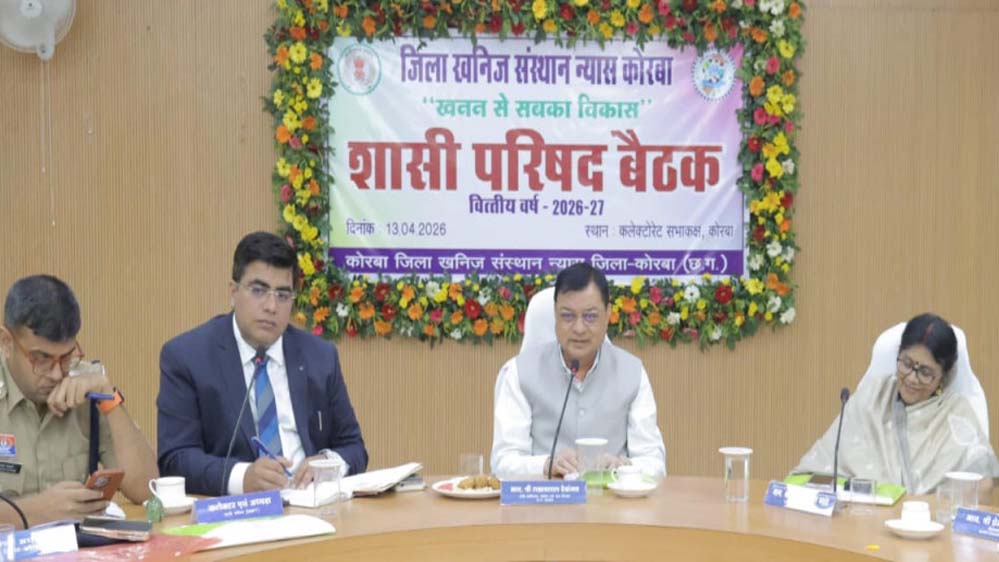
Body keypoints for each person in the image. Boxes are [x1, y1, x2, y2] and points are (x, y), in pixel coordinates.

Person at [157, 231, 367, 496]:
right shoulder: (188, 357)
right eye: (258, 291)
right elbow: (175, 459)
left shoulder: (319, 356)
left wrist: (328, 464)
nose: (271, 306)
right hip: (237, 509)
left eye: (283, 295)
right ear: (233, 292)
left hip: (310, 504)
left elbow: (354, 448)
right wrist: (242, 477)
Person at [0, 275, 158, 528]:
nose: (56, 374)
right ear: (6, 342)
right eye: (41, 358)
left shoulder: (87, 387)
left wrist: (108, 396)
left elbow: (147, 491)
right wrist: (37, 511)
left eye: (66, 357)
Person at [490, 262, 666, 479]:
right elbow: (502, 462)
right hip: (544, 498)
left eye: (590, 316)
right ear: (555, 314)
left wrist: (624, 467)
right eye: (567, 316)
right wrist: (546, 465)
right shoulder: (519, 372)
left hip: (611, 498)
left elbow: (654, 462)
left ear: (607, 314)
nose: (579, 328)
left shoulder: (633, 373)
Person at [793, 313, 999, 495]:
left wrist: (929, 506)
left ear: (944, 376)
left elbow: (984, 484)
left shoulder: (956, 413)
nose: (912, 378)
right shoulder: (872, 397)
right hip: (861, 516)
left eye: (925, 372)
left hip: (928, 521)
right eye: (907, 364)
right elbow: (813, 473)